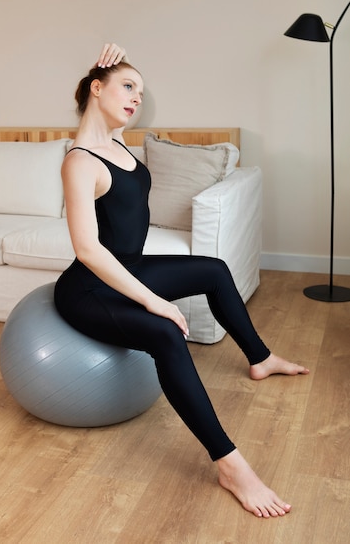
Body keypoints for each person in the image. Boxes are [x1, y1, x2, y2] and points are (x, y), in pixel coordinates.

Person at [54, 43, 309, 518]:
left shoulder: (115, 143)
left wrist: (112, 62)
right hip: (89, 289)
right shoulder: (80, 160)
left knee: (212, 269)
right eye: (127, 86)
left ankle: (261, 357)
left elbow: (124, 202)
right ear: (96, 88)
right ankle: (230, 465)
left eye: (141, 92)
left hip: (126, 270)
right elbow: (88, 250)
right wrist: (154, 301)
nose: (136, 98)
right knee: (168, 333)